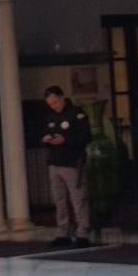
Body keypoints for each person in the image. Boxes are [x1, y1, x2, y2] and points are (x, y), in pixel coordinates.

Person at [42, 85, 93, 248]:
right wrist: (46, 139)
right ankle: (63, 232)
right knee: (59, 200)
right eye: (50, 104)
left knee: (78, 199)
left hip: (72, 163)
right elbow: (44, 132)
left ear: (62, 97)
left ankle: (82, 233)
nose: (54, 106)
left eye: (56, 102)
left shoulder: (77, 114)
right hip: (55, 162)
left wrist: (66, 140)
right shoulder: (50, 116)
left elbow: (85, 136)